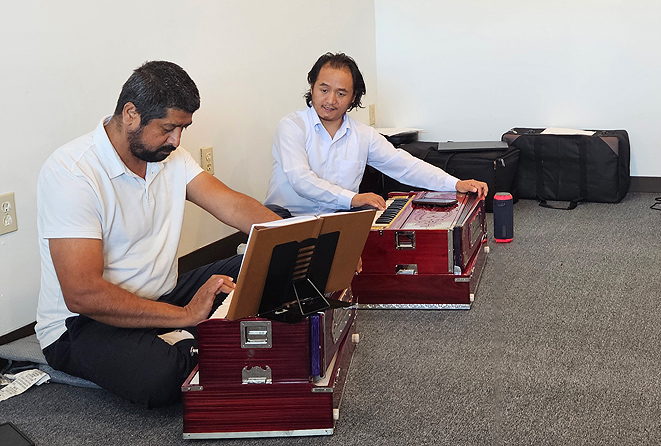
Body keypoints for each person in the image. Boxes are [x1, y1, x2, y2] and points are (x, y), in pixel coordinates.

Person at [35, 61, 280, 408]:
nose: (177, 140)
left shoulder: (170, 157)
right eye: (168, 128)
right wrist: (186, 315)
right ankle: (191, 335)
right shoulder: (72, 173)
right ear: (131, 114)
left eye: (183, 128)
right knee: (162, 378)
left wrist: (305, 240)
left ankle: (190, 339)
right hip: (83, 323)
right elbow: (82, 294)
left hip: (163, 295)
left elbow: (233, 205)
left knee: (268, 262)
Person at [264, 52, 488, 217]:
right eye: (324, 90)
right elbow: (300, 180)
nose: (330, 100)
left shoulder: (363, 135)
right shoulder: (291, 126)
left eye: (341, 93)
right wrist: (353, 198)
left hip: (337, 218)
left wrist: (455, 183)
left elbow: (405, 166)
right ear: (312, 87)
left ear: (353, 97)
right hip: (287, 218)